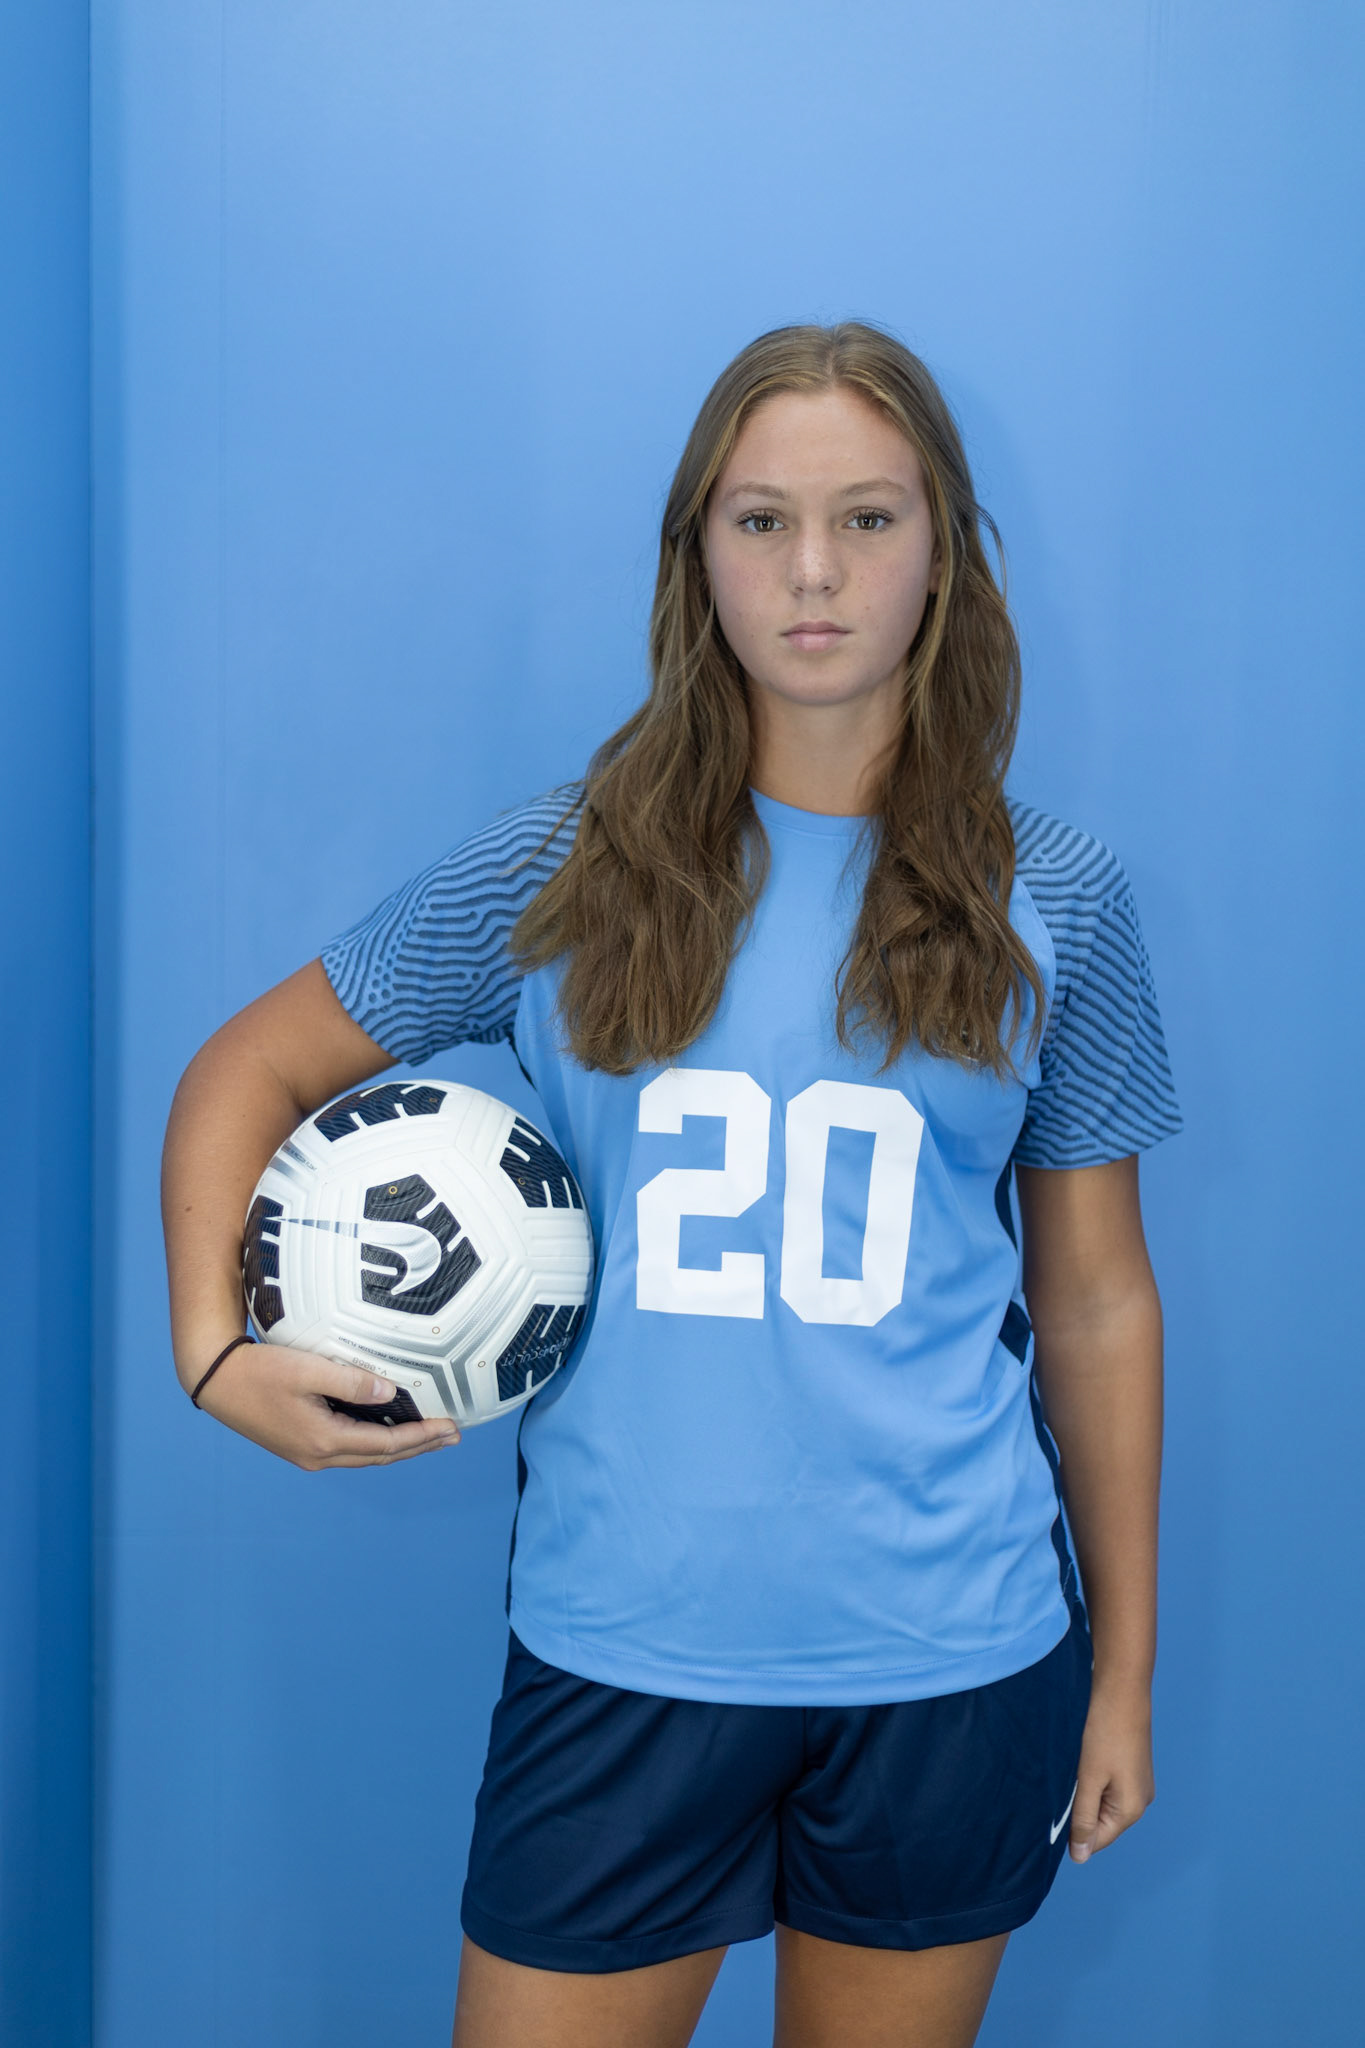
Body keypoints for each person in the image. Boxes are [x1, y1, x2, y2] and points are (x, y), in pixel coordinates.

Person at [162, 321, 1181, 2048]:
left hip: (952, 1660)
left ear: (942, 551)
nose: (811, 573)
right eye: (757, 519)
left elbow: (1093, 1296)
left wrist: (1125, 1675)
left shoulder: (1058, 897)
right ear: (691, 553)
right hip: (624, 1652)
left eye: (868, 519)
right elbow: (241, 1072)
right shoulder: (565, 864)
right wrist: (215, 1349)